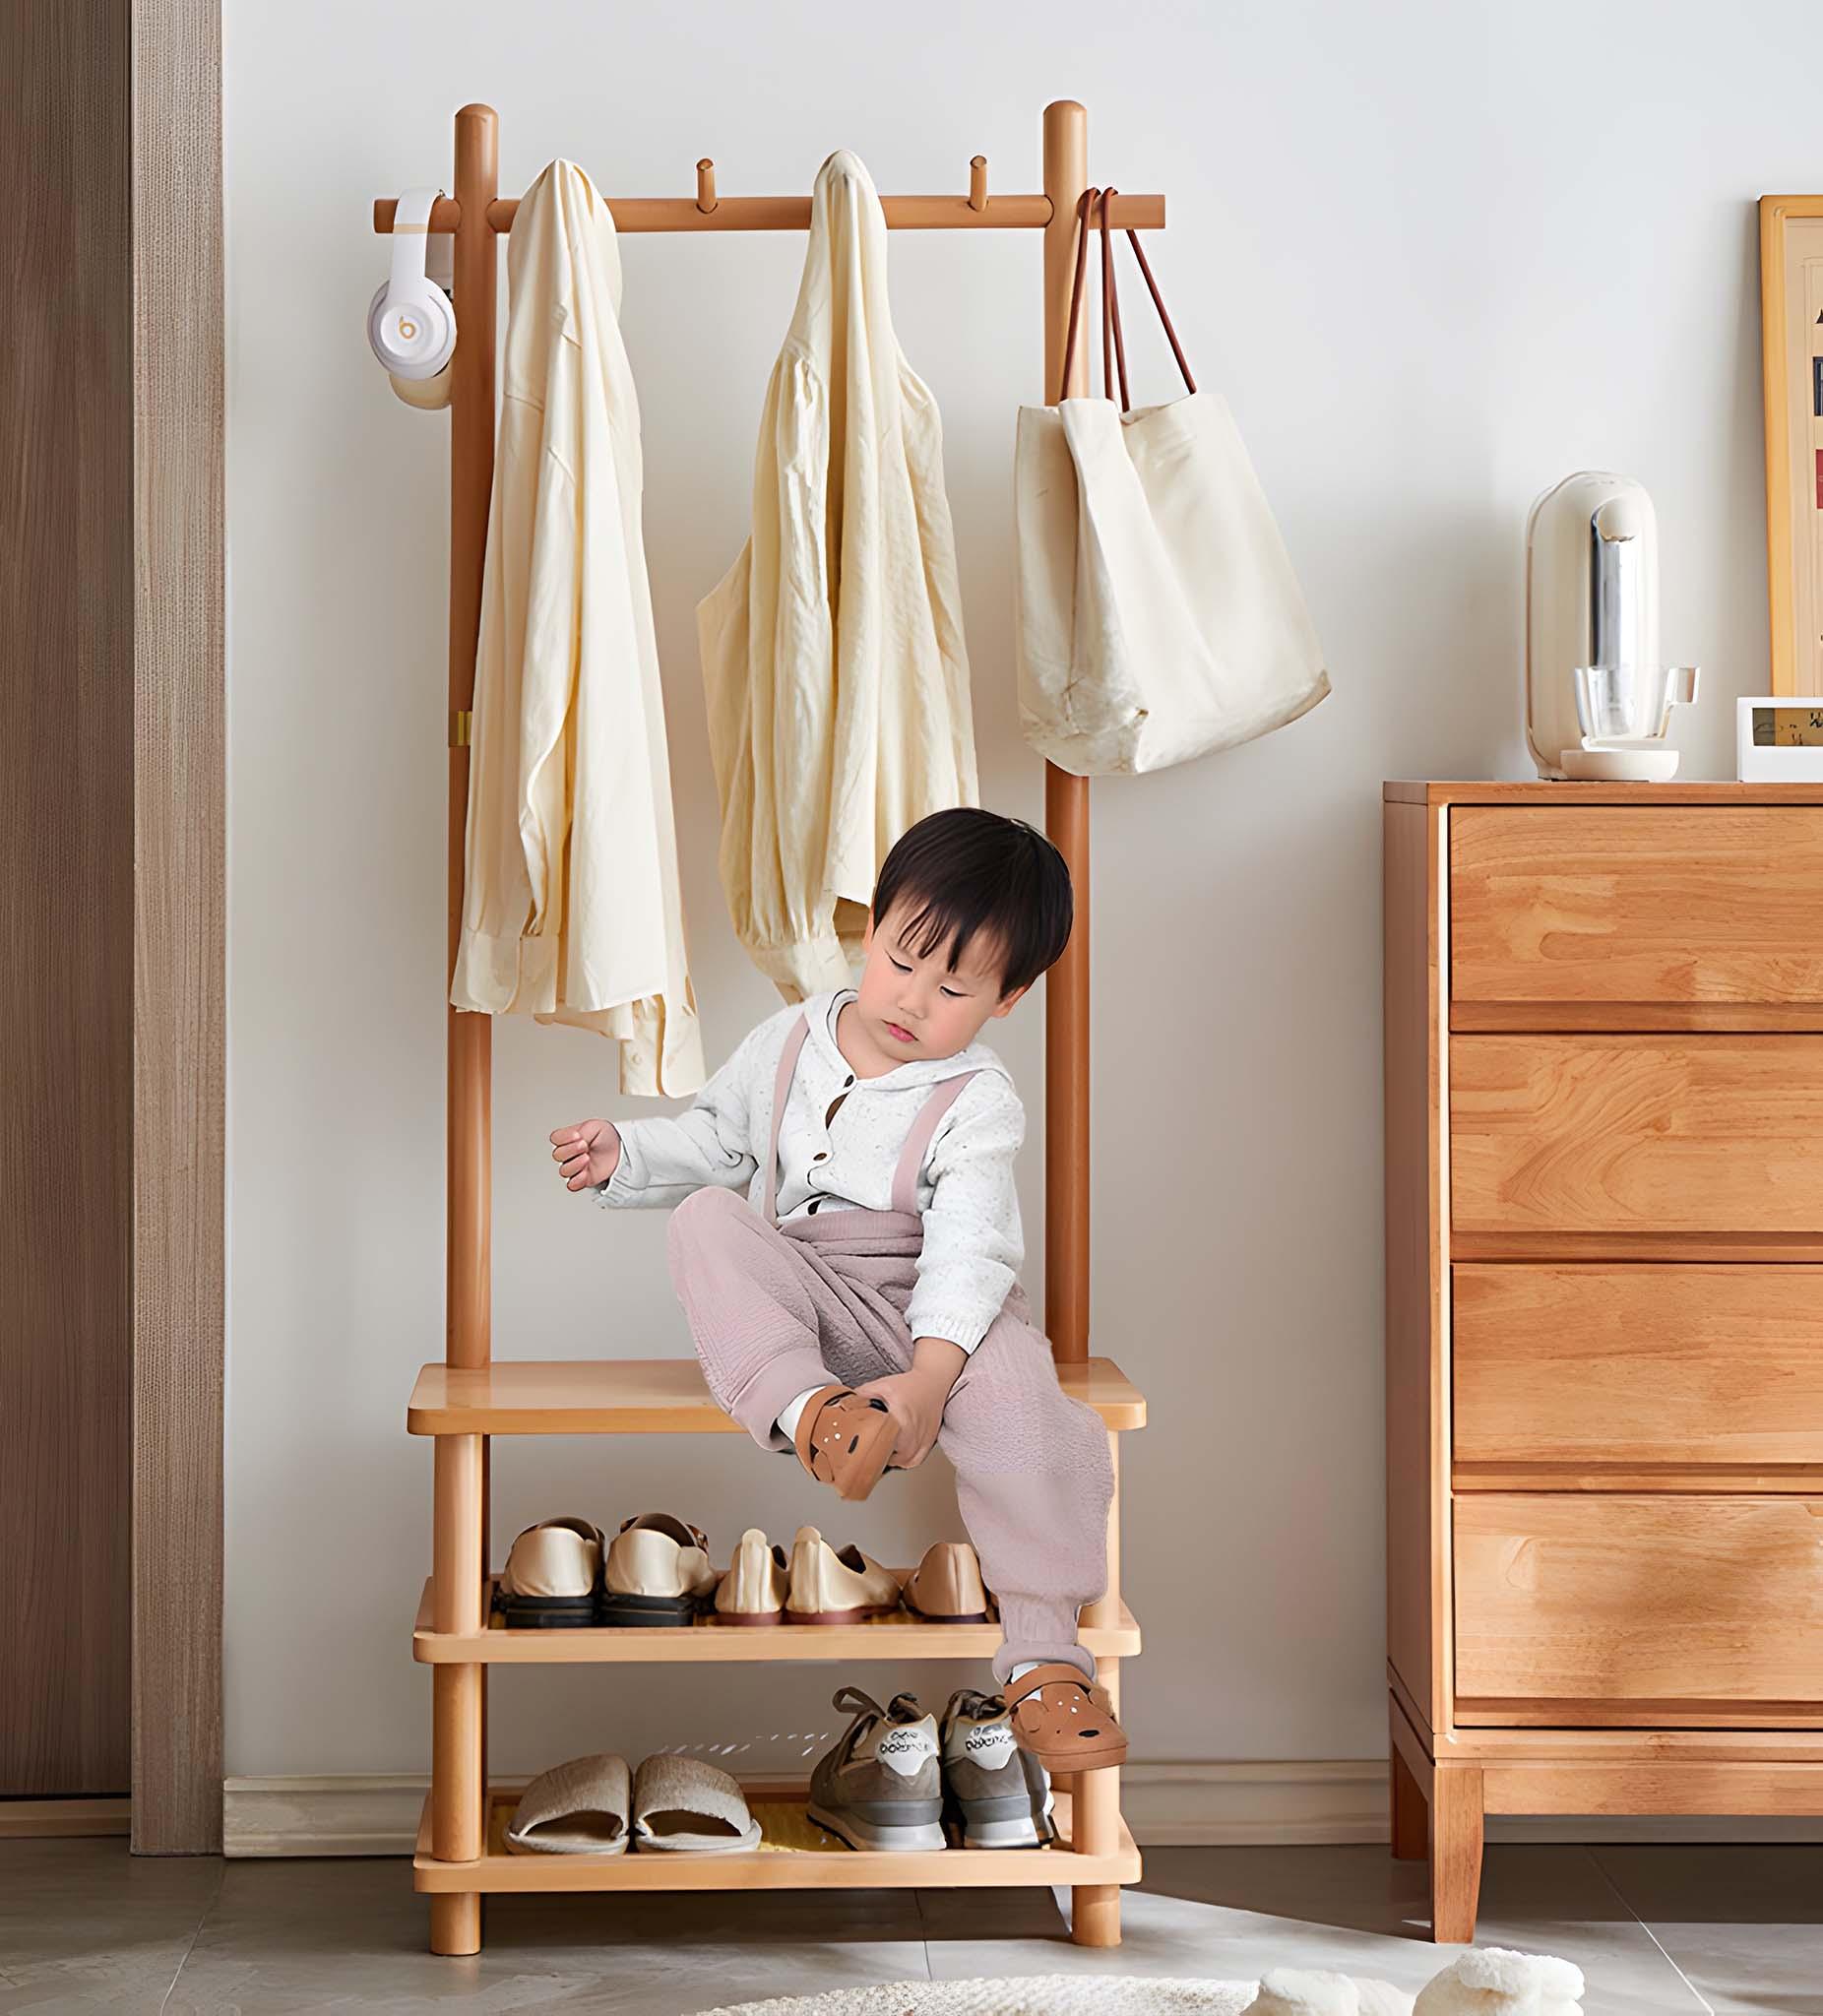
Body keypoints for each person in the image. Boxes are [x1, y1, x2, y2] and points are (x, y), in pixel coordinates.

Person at [548, 806, 1126, 1773]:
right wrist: (627, 1151)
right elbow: (720, 1144)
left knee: (1030, 1399)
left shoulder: (977, 1099)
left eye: (952, 987)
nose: (912, 998)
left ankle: (1042, 1655)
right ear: (873, 925)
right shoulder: (786, 1039)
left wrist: (931, 1377)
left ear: (1008, 997)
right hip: (812, 1289)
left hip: (943, 1317)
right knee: (704, 1219)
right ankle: (812, 1408)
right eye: (901, 959)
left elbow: (969, 1250)